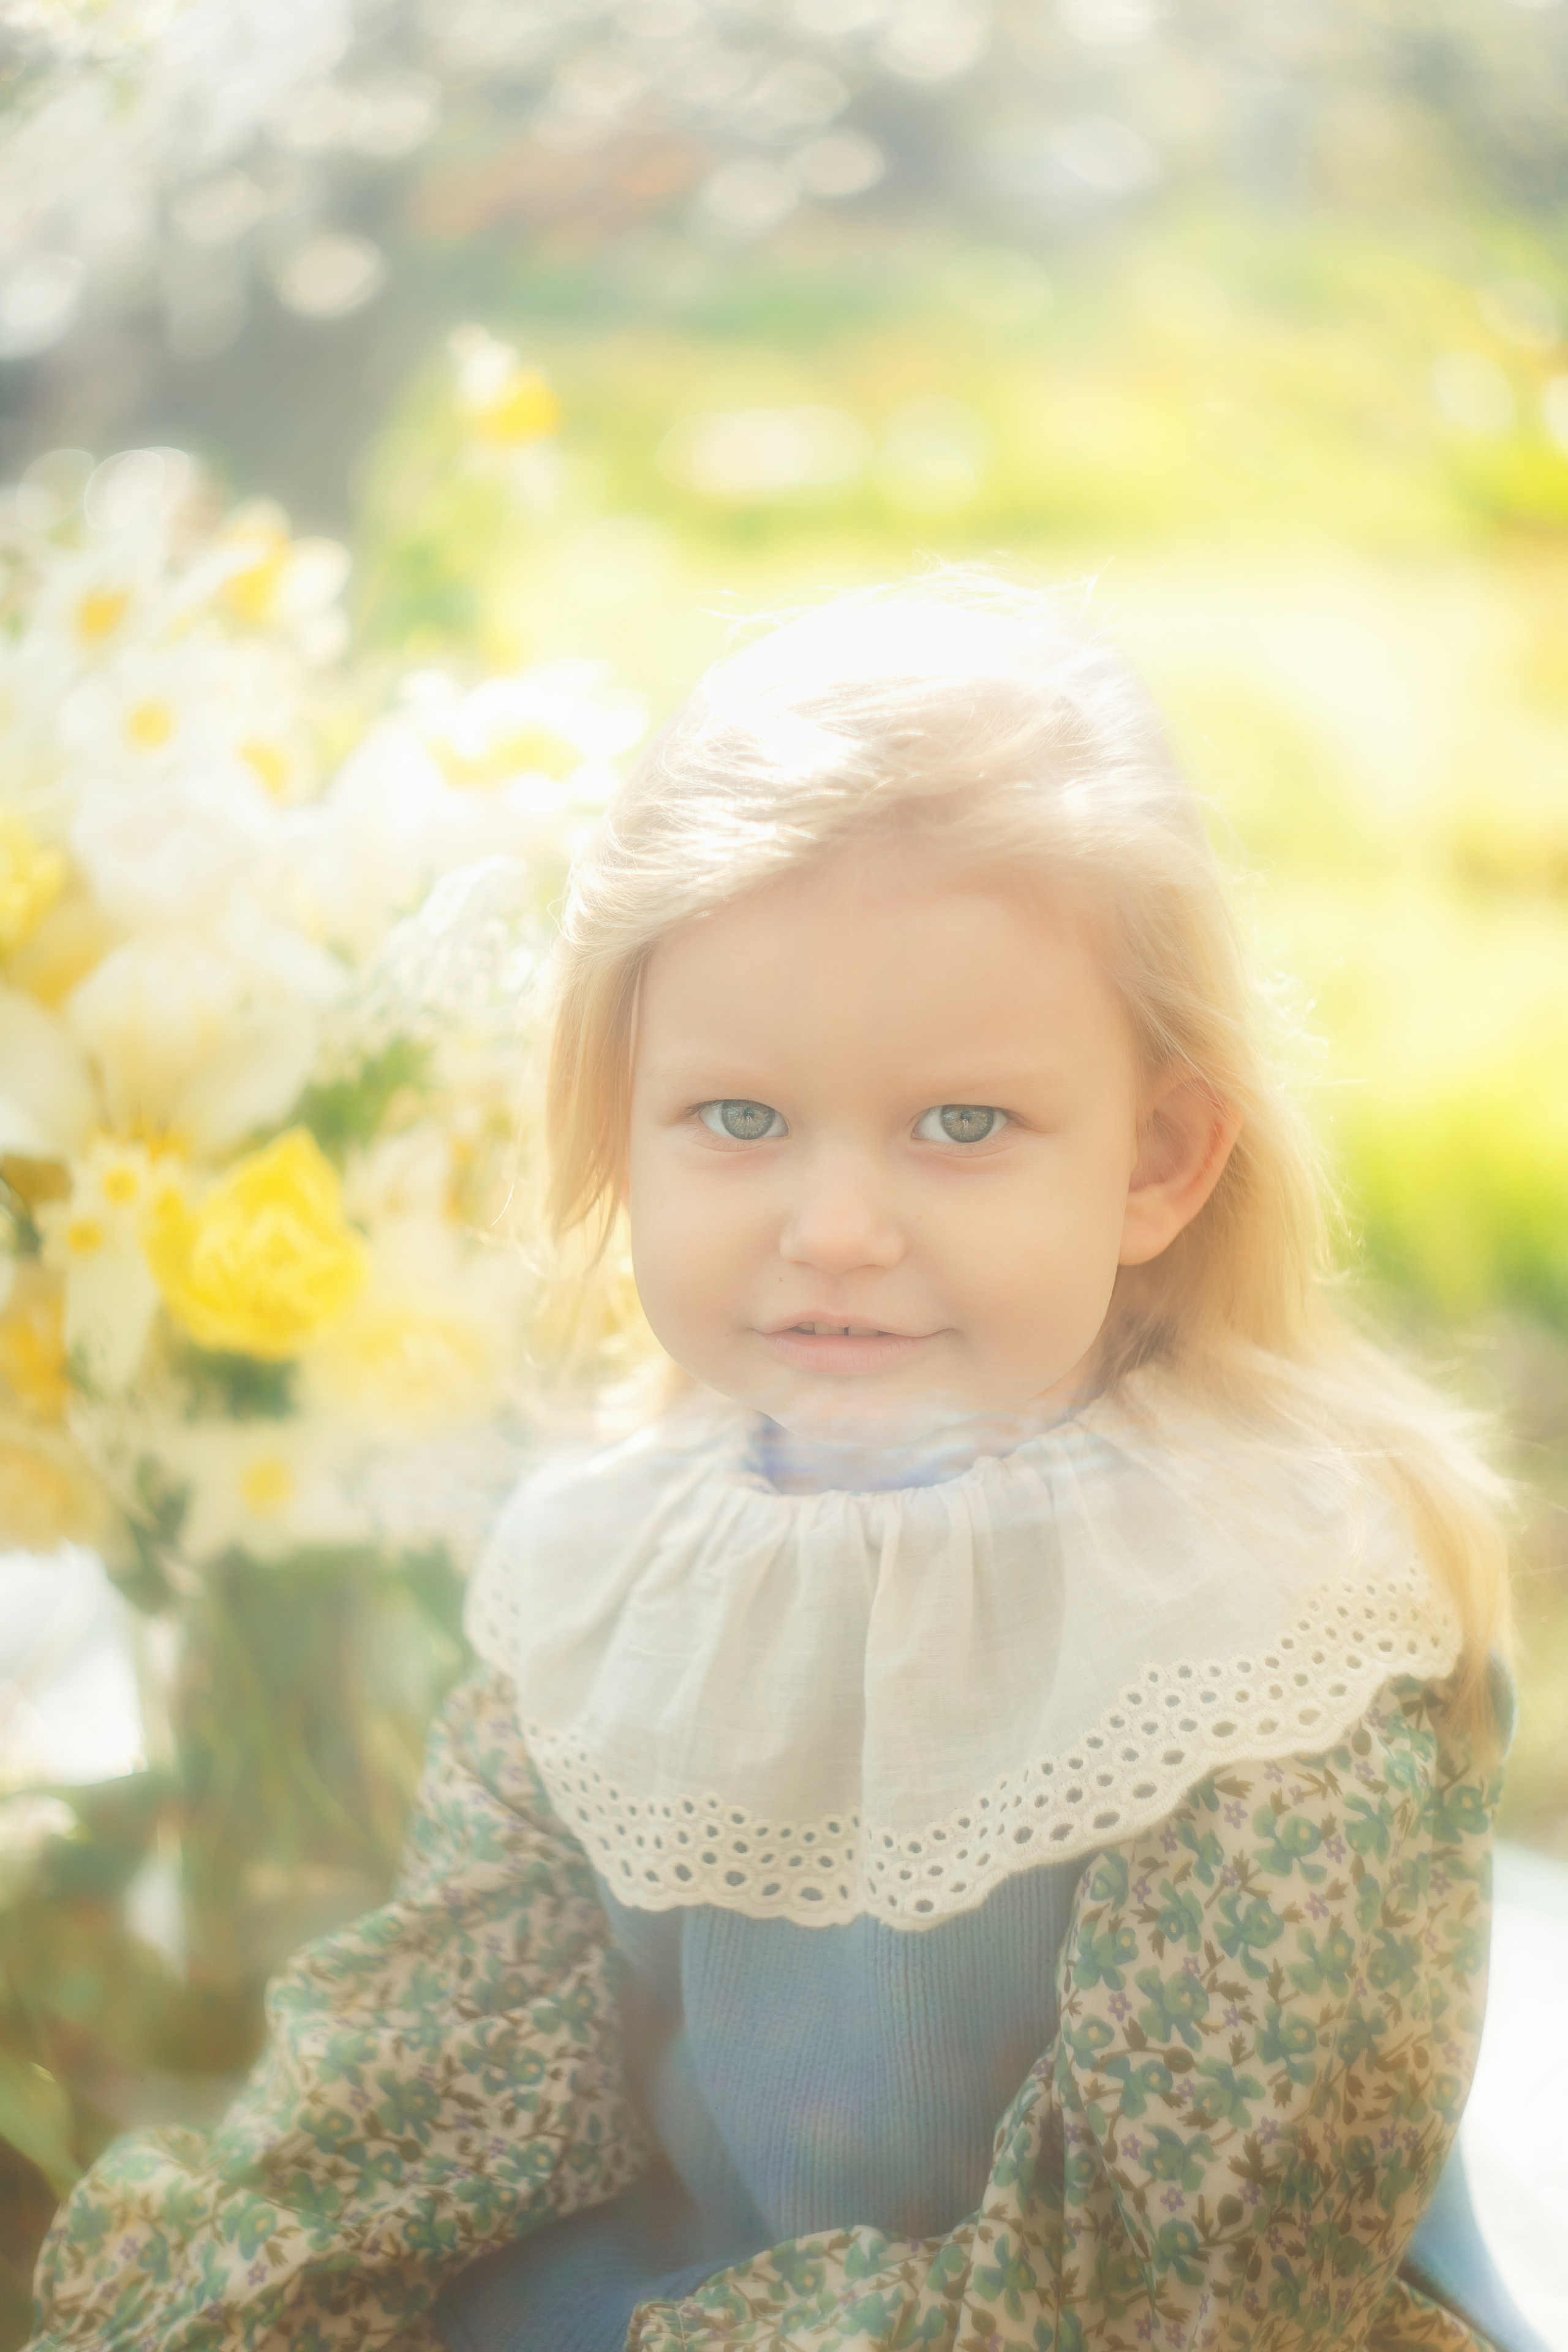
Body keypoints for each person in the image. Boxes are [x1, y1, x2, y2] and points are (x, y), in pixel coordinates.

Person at [29, 579, 1533, 2352]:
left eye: (961, 1126)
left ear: (1162, 1158)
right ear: (621, 1120)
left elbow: (1169, 2279)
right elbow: (451, 2072)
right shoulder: (616, 1563)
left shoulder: (1272, 1614)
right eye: (738, 1119)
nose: (832, 1230)